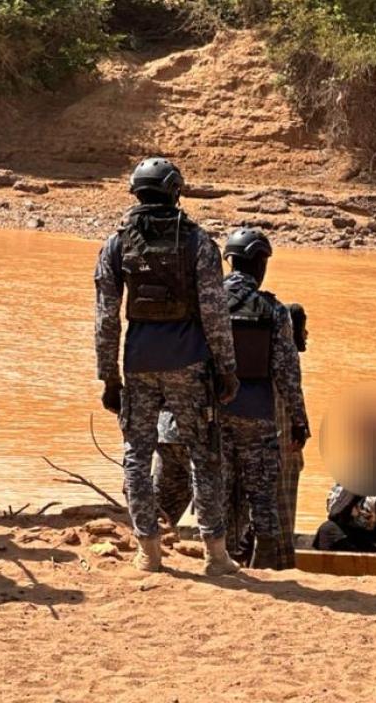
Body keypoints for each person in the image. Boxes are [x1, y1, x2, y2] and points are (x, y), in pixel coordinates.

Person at [94, 157, 241, 575]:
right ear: (175, 192)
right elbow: (215, 314)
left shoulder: (116, 243)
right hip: (190, 363)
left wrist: (109, 376)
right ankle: (215, 555)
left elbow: (105, 317)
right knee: (203, 455)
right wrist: (227, 369)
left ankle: (149, 552)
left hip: (138, 363)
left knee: (136, 457)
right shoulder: (198, 242)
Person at [218, 228, 310, 569]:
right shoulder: (273, 310)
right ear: (260, 263)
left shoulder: (206, 303)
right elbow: (287, 373)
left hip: (213, 416)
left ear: (230, 262)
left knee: (219, 495)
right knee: (262, 498)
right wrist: (299, 421)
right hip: (257, 417)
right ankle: (268, 567)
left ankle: (221, 561)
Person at [270, 302, 309, 569]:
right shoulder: (287, 363)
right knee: (283, 506)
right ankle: (282, 562)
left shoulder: (267, 360)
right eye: (303, 328)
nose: (307, 334)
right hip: (283, 447)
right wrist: (300, 427)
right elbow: (293, 403)